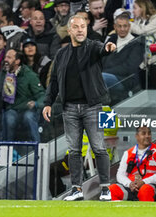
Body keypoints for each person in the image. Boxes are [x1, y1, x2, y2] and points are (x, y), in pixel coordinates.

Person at [42, 15, 116, 201]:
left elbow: (103, 49)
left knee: (99, 148)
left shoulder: (93, 46)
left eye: (83, 26)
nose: (81, 29)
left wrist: (109, 48)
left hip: (93, 107)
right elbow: (55, 81)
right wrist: (48, 103)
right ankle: (77, 189)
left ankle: (105, 188)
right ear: (70, 31)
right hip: (69, 109)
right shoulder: (61, 54)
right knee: (74, 151)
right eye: (76, 27)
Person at [109, 126, 156, 201]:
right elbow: (120, 175)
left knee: (145, 189)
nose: (147, 136)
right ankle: (121, 212)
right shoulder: (128, 153)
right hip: (132, 188)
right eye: (144, 133)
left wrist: (144, 182)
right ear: (136, 136)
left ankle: (145, 213)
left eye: (149, 133)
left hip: (151, 187)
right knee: (111, 189)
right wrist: (130, 184)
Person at [0, 48, 45, 142]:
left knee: (29, 117)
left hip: (27, 110)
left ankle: (36, 147)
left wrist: (35, 103)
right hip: (11, 109)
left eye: (9, 57)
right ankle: (7, 149)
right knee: (9, 118)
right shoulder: (3, 74)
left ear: (17, 61)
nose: (5, 60)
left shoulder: (29, 75)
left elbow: (42, 95)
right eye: (5, 57)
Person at [102, 10, 145, 102]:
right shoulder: (111, 40)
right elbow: (102, 59)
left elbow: (129, 67)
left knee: (100, 77)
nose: (122, 29)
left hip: (126, 80)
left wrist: (105, 71)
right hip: (107, 75)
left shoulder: (137, 43)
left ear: (129, 27)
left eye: (125, 26)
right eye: (119, 26)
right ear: (115, 27)